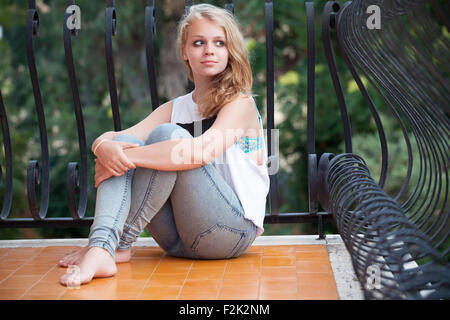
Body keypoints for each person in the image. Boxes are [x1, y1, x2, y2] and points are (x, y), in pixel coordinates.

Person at [59, 3, 270, 287]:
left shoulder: (240, 104)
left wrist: (128, 158)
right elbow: (116, 137)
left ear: (230, 51)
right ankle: (105, 247)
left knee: (166, 138)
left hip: (229, 233)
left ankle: (109, 246)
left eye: (219, 43)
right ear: (185, 51)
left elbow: (199, 152)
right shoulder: (177, 107)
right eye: (199, 42)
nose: (209, 50)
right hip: (176, 240)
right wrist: (104, 148)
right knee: (127, 142)